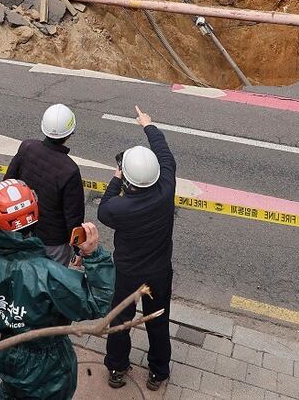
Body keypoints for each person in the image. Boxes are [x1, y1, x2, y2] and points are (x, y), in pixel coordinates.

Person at [0, 179, 114, 400]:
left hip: (7, 355)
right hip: (50, 367)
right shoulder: (49, 274)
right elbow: (99, 303)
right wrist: (94, 257)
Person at [99, 106, 177, 391]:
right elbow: (165, 154)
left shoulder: (119, 208)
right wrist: (149, 125)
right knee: (158, 320)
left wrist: (115, 178)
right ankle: (158, 372)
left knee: (120, 320)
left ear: (128, 179)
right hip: (159, 272)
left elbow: (104, 209)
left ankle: (117, 368)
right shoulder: (167, 188)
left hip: (127, 274)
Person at [1, 103, 84, 265]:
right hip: (53, 242)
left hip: (22, 232)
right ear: (70, 132)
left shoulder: (27, 147)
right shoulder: (70, 170)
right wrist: (78, 249)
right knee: (51, 284)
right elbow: (73, 216)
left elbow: (8, 184)